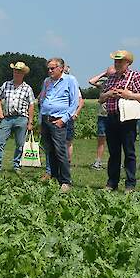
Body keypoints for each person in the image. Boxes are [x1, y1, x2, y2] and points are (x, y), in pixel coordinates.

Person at [99, 50, 140, 192]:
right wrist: (109, 94)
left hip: (127, 119)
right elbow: (101, 98)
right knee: (114, 153)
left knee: (129, 152)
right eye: (116, 61)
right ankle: (112, 182)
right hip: (111, 117)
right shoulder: (111, 78)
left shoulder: (135, 76)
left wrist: (129, 95)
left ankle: (130, 184)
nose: (117, 63)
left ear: (128, 63)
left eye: (120, 61)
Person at [39, 57, 81, 192]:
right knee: (49, 150)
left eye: (53, 68)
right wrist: (41, 120)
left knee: (60, 151)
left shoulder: (70, 80)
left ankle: (65, 181)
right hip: (46, 119)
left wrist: (64, 119)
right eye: (48, 69)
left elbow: (74, 102)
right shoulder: (47, 81)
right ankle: (54, 177)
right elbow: (43, 99)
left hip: (59, 120)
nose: (50, 71)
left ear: (61, 68)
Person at [0, 61, 35, 172]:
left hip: (22, 118)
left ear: (23, 74)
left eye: (19, 72)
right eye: (15, 71)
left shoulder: (27, 88)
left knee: (20, 144)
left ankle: (17, 165)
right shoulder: (6, 84)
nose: (16, 73)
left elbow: (31, 105)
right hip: (7, 117)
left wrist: (30, 122)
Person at [88, 66, 117, 169]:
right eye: (108, 75)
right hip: (103, 115)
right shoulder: (104, 84)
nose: (109, 77)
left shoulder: (119, 84)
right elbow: (91, 81)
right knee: (101, 138)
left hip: (114, 114)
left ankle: (116, 161)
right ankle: (98, 160)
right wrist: (103, 74)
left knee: (116, 140)